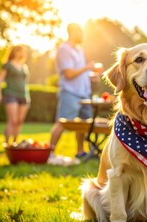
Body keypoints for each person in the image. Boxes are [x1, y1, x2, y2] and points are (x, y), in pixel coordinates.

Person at [48, 23, 102, 164]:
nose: (82, 35)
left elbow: (79, 71)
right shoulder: (64, 49)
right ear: (72, 32)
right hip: (70, 92)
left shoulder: (79, 50)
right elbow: (69, 73)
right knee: (62, 122)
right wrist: (88, 67)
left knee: (84, 124)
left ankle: (80, 152)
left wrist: (90, 75)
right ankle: (50, 154)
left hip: (84, 92)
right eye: (80, 31)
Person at [0, 45, 30, 144]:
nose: (21, 53)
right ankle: (7, 143)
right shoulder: (7, 65)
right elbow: (0, 79)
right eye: (19, 51)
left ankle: (14, 143)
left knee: (19, 121)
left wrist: (28, 96)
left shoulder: (24, 66)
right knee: (13, 121)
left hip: (23, 96)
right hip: (11, 94)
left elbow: (25, 82)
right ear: (14, 52)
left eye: (23, 51)